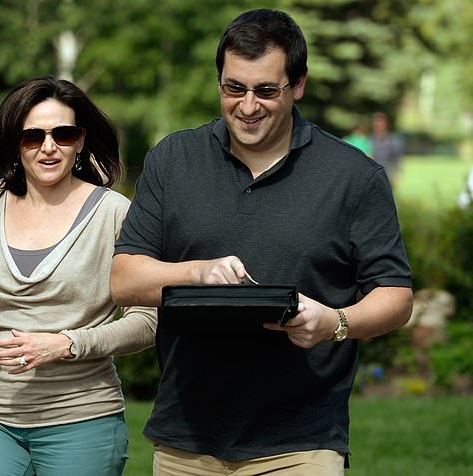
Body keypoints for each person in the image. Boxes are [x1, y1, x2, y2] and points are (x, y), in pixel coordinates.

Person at [110, 9, 413, 476]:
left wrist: (334, 322)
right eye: (234, 88)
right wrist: (197, 272)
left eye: (266, 90)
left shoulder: (354, 176)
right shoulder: (173, 159)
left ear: (298, 86)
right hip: (186, 438)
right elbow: (124, 279)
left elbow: (396, 296)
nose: (247, 105)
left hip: (302, 441)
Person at [0, 75, 157, 476]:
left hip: (81, 417)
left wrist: (65, 344)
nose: (48, 147)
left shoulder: (113, 213)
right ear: (14, 142)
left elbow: (146, 323)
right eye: (32, 137)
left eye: (63, 133)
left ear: (81, 140)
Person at [370, 111, 406, 185]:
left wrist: (398, 173)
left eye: (380, 124)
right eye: (376, 125)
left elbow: (398, 158)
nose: (378, 127)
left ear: (386, 124)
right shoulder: (368, 140)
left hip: (388, 174)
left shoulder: (393, 140)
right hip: (372, 176)